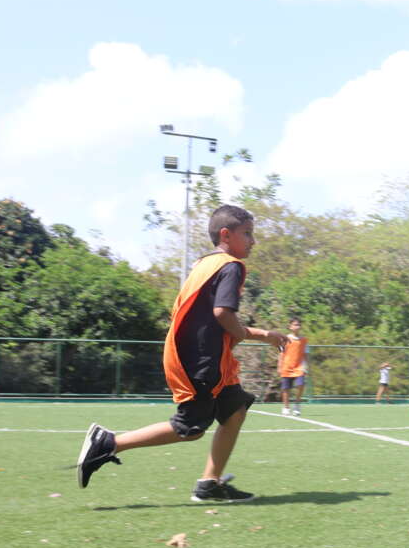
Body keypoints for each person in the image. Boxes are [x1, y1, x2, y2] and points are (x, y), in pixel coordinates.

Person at [75, 205, 288, 502]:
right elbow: (223, 314)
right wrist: (256, 334)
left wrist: (253, 337)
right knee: (190, 428)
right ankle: (108, 442)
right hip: (200, 361)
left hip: (202, 357)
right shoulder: (231, 266)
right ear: (226, 235)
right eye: (248, 234)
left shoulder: (204, 264)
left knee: (235, 410)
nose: (253, 241)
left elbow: (208, 319)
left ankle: (209, 483)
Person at [278, 317, 308, 416]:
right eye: (295, 324)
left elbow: (305, 354)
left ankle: (297, 404)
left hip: (299, 367)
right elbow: (281, 353)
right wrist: (279, 366)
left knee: (301, 385)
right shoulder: (285, 339)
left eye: (299, 325)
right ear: (290, 326)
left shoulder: (304, 340)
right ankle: (286, 407)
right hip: (287, 367)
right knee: (286, 388)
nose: (297, 326)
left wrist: (307, 366)